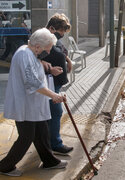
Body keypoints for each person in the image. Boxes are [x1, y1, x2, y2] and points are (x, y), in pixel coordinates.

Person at [0, 28, 68, 177]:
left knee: (42, 132)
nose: (48, 53)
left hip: (33, 105)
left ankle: (49, 161)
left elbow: (37, 67)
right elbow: (31, 82)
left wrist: (50, 70)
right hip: (25, 105)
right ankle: (5, 166)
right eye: (47, 49)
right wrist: (53, 95)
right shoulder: (25, 54)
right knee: (27, 137)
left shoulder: (30, 52)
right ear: (38, 46)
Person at [42, 13, 73, 155]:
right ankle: (55, 144)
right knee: (56, 112)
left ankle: (49, 142)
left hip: (55, 82)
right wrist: (50, 68)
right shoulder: (42, 38)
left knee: (53, 113)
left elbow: (58, 49)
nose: (62, 35)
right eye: (61, 31)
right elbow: (32, 57)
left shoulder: (52, 38)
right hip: (49, 82)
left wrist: (67, 59)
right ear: (53, 28)